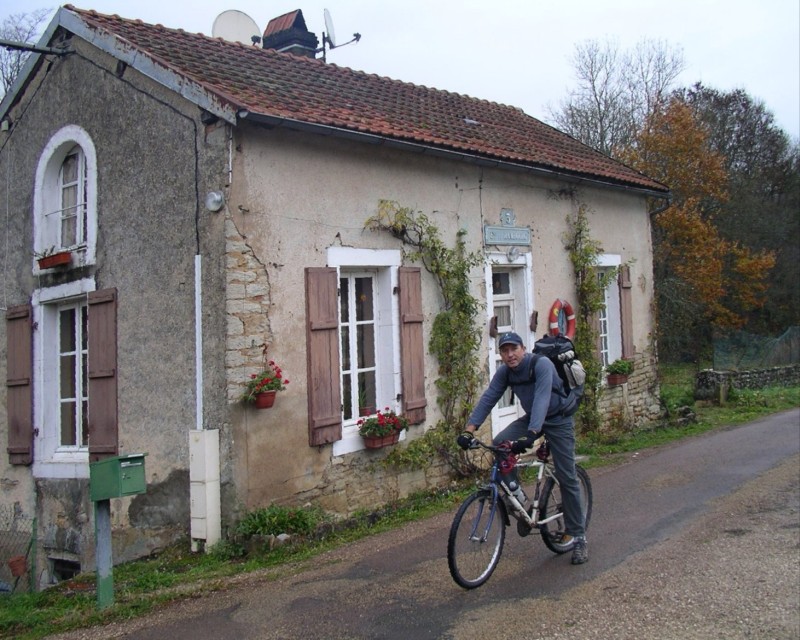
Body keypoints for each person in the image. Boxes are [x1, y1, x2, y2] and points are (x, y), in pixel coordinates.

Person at [456, 331, 588, 565]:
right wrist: (469, 430)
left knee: (567, 476)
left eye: (513, 349)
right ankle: (517, 496)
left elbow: (542, 398)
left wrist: (532, 433)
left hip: (558, 418)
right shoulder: (505, 372)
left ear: (523, 349)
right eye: (504, 351)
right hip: (532, 419)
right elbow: (489, 398)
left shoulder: (542, 364)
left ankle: (579, 537)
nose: (510, 355)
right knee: (500, 443)